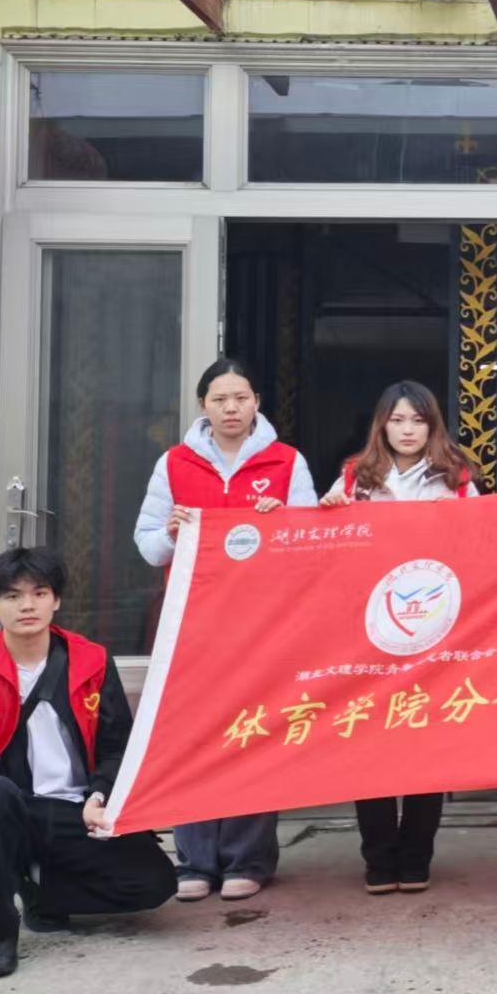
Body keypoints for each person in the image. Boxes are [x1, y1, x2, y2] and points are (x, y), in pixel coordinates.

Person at [0, 548, 175, 979]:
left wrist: (98, 795)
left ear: (55, 600)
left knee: (155, 883)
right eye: (12, 596)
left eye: (39, 593)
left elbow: (117, 747)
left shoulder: (92, 662)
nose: (27, 605)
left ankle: (41, 892)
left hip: (73, 811)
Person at [133, 357, 316, 902]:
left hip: (262, 625)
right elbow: (148, 545)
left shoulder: (287, 461)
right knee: (193, 736)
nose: (231, 408)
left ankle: (248, 859)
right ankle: (194, 860)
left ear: (257, 401)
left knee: (253, 733)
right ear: (203, 406)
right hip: (193, 623)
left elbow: (311, 545)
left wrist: (282, 522)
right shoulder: (174, 463)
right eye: (220, 399)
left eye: (240, 398)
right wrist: (170, 531)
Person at [320, 381, 477, 894]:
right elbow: (326, 554)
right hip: (370, 631)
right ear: (381, 425)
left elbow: (483, 544)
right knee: (372, 745)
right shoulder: (355, 477)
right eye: (398, 420)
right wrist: (329, 513)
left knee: (426, 745)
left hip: (435, 628)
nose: (408, 430)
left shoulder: (456, 478)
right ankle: (378, 857)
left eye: (418, 420)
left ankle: (416, 856)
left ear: (433, 426)